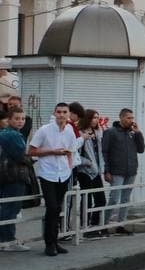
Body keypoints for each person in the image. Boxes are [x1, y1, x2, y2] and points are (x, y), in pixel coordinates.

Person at [28, 103, 77, 255]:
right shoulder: (44, 130)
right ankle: (49, 244)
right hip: (47, 173)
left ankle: (55, 242)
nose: (61, 115)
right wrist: (52, 152)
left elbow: (71, 151)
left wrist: (69, 167)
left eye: (64, 112)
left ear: (69, 114)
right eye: (59, 112)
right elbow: (31, 151)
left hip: (63, 174)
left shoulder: (69, 131)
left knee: (57, 209)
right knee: (52, 207)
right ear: (54, 113)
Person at [102, 108, 145, 228]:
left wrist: (138, 133)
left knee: (125, 199)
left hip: (131, 170)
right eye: (128, 118)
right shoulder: (110, 132)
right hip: (116, 171)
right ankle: (104, 225)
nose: (131, 120)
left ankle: (121, 224)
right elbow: (104, 152)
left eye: (132, 118)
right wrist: (106, 171)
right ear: (121, 117)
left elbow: (141, 149)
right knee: (114, 199)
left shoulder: (132, 133)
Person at [0, 105, 32, 251]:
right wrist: (31, 159)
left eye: (23, 119)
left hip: (8, 175)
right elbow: (22, 156)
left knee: (8, 208)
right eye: (17, 119)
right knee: (11, 209)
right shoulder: (12, 135)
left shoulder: (7, 133)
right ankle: (8, 240)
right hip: (14, 175)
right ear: (9, 119)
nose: (21, 121)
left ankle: (6, 239)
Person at [74, 110, 108, 237]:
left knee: (101, 200)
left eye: (97, 118)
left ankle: (94, 225)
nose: (96, 120)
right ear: (87, 119)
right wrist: (86, 162)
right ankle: (84, 227)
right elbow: (75, 153)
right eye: (94, 117)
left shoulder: (98, 132)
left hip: (97, 170)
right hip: (85, 171)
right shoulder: (80, 133)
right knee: (86, 200)